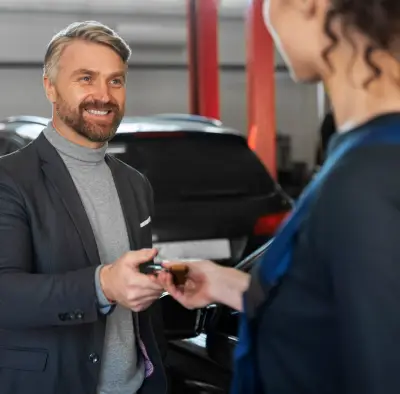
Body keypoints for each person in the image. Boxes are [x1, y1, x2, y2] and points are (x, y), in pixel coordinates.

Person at [158, 0, 400, 393]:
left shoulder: (364, 178)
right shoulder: (364, 152)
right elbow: (330, 308)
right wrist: (226, 285)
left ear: (310, 5)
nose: (267, 16)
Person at [0, 21, 167, 394]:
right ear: (50, 86)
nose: (103, 95)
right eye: (86, 78)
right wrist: (101, 285)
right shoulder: (9, 179)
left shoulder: (135, 183)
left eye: (115, 81)